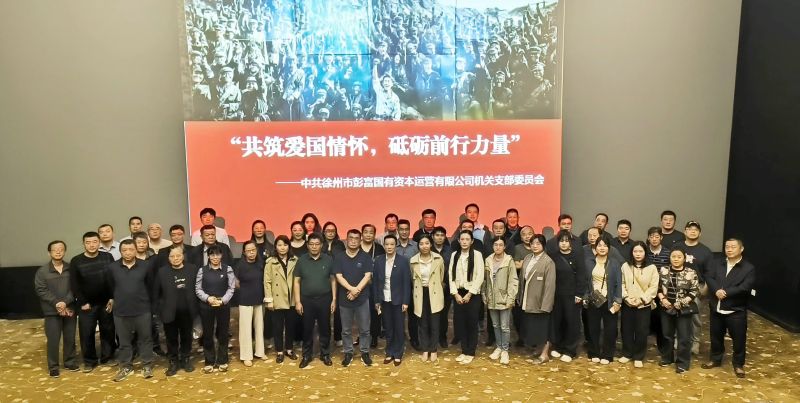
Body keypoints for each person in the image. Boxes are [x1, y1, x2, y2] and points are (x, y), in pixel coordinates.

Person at [703, 238, 755, 378]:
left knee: (739, 339)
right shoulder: (717, 262)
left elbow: (745, 287)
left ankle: (738, 364)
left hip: (735, 310)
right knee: (715, 336)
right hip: (716, 307)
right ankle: (715, 359)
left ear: (741, 249)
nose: (729, 249)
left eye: (733, 247)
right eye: (727, 247)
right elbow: (709, 277)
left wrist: (725, 292)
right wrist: (716, 290)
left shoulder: (748, 268)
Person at [106, 239, 155, 382]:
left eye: (131, 249)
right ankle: (126, 366)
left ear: (136, 250)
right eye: (124, 250)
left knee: (145, 339)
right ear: (120, 251)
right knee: (124, 341)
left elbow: (151, 286)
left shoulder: (146, 265)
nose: (128, 253)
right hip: (121, 310)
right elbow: (110, 286)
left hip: (142, 309)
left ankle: (147, 365)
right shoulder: (112, 267)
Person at [69, 232, 116, 372]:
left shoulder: (107, 257)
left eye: (94, 241)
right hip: (86, 305)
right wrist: (83, 301)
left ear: (99, 242)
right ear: (83, 244)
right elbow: (74, 284)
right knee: (87, 333)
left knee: (108, 331)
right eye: (88, 242)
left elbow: (113, 278)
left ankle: (108, 357)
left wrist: (112, 298)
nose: (91, 245)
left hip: (106, 302)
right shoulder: (76, 260)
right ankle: (90, 361)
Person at [152, 245, 198, 376]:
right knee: (171, 338)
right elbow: (156, 293)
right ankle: (173, 361)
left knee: (186, 337)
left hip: (187, 310)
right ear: (168, 258)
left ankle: (185, 359)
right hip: (169, 311)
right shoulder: (162, 272)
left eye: (178, 255)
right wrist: (157, 310)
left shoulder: (192, 269)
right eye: (172, 256)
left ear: (183, 256)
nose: (175, 258)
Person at [35, 240, 78, 377]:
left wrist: (65, 302)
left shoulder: (71, 268)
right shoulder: (42, 271)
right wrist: (56, 303)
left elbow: (75, 287)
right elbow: (41, 290)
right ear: (49, 253)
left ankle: (70, 362)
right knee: (53, 339)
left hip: (69, 309)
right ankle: (53, 366)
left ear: (65, 251)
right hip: (51, 311)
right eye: (55, 249)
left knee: (70, 337)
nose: (58, 252)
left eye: (61, 249)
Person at [294, 233, 336, 368]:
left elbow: (333, 280)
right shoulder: (302, 260)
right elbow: (296, 281)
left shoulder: (328, 259)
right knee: (307, 328)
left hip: (325, 299)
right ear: (307, 245)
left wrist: (334, 299)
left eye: (317, 244)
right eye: (311, 244)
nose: (314, 247)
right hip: (306, 300)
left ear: (321, 245)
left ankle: (325, 354)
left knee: (325, 328)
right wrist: (297, 301)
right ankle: (307, 355)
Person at [672, 220, 713, 356]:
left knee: (695, 317)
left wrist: (704, 290)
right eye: (690, 229)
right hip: (677, 286)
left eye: (695, 230)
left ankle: (695, 343)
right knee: (677, 314)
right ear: (685, 231)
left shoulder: (705, 251)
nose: (692, 231)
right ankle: (677, 340)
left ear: (700, 233)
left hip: (697, 288)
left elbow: (709, 273)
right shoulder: (677, 247)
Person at [334, 229, 374, 366]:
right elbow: (338, 276)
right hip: (345, 299)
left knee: (365, 329)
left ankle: (365, 352)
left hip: (362, 299)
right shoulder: (339, 257)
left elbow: (367, 275)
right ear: (346, 239)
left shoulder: (365, 257)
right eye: (351, 238)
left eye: (356, 238)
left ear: (360, 240)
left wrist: (356, 290)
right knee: (346, 330)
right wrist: (351, 289)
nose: (353, 241)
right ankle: (348, 352)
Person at [546, 230, 587, 363]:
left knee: (572, 323)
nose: (564, 244)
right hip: (556, 295)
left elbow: (582, 276)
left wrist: (579, 294)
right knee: (558, 321)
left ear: (571, 243)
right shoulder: (553, 256)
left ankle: (570, 350)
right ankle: (559, 346)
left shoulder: (577, 256)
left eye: (566, 241)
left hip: (572, 295)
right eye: (561, 241)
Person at [657, 249, 700, 373]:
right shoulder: (663, 270)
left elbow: (694, 291)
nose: (676, 259)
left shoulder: (691, 272)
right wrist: (663, 299)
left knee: (684, 337)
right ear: (670, 258)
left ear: (684, 258)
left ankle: (682, 363)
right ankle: (667, 358)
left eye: (679, 257)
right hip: (666, 307)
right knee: (666, 335)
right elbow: (658, 287)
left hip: (683, 308)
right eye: (673, 256)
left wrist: (681, 302)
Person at [195, 245, 236, 373]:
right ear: (208, 256)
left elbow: (231, 288)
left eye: (217, 254)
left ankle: (223, 360)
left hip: (223, 305)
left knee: (223, 333)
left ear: (221, 255)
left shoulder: (228, 269)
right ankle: (209, 361)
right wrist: (208, 298)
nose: (215, 257)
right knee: (208, 333)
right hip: (206, 306)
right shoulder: (202, 270)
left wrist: (223, 300)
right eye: (212, 255)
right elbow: (198, 289)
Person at [372, 234, 411, 365]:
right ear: (384, 245)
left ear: (396, 246)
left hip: (398, 300)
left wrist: (406, 301)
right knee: (388, 327)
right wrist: (377, 300)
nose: (389, 247)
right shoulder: (379, 260)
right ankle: (389, 352)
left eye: (392, 244)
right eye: (387, 244)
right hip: (384, 299)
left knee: (399, 327)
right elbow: (375, 282)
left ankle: (398, 353)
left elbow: (407, 283)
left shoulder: (403, 261)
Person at [619, 241, 659, 368]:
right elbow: (621, 283)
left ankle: (638, 356)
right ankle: (627, 353)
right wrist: (626, 298)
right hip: (628, 303)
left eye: (640, 251)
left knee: (642, 331)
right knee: (626, 329)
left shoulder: (652, 268)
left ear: (645, 253)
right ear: (631, 253)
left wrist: (642, 300)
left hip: (643, 305)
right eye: (635, 251)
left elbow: (653, 287)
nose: (638, 254)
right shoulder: (625, 266)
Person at [518, 234, 556, 364]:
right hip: (528, 298)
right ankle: (539, 349)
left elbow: (550, 286)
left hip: (540, 301)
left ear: (543, 245)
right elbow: (522, 279)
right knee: (534, 327)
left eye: (538, 244)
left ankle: (545, 354)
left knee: (543, 328)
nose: (535, 246)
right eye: (532, 243)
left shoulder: (548, 262)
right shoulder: (528, 258)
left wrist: (546, 305)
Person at [585, 238, 623, 365]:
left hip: (609, 300)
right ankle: (593, 352)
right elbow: (585, 281)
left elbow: (618, 283)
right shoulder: (589, 262)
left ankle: (608, 354)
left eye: (605, 245)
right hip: (594, 299)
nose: (602, 248)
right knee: (593, 328)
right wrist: (586, 296)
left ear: (609, 248)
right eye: (599, 245)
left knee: (610, 329)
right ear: (595, 248)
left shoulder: (614, 263)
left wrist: (617, 301)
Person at [449, 230, 485, 364]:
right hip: (458, 293)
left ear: (472, 241)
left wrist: (470, 293)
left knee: (472, 323)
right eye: (462, 239)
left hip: (473, 294)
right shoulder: (455, 255)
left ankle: (471, 351)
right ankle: (464, 350)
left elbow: (480, 275)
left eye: (467, 239)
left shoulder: (477, 255)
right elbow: (451, 275)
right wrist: (455, 294)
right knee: (461, 323)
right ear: (459, 241)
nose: (464, 242)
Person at [483, 236, 519, 365]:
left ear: (504, 247)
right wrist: (484, 294)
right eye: (495, 245)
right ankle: (498, 347)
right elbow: (485, 280)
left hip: (504, 298)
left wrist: (511, 298)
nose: (498, 247)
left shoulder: (509, 260)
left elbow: (513, 280)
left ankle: (505, 350)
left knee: (504, 327)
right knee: (495, 325)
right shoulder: (488, 260)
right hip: (491, 297)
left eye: (500, 245)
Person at [411, 235, 446, 363]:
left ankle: (434, 349)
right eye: (421, 244)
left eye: (427, 243)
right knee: (423, 323)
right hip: (420, 293)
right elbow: (412, 279)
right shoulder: (413, 260)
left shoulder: (438, 259)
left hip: (435, 293)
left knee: (435, 323)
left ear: (431, 244)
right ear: (418, 246)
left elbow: (441, 277)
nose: (424, 246)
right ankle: (425, 349)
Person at [264, 236, 299, 363]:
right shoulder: (270, 262)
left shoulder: (295, 260)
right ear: (275, 247)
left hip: (291, 298)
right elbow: (267, 282)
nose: (282, 248)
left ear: (289, 246)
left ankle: (289, 349)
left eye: (285, 245)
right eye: (279, 245)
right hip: (277, 299)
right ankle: (279, 351)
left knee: (290, 326)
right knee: (277, 327)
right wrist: (269, 300)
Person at [236, 240, 266, 366]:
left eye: (253, 250)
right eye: (248, 251)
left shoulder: (261, 263)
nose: (251, 253)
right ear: (244, 252)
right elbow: (236, 283)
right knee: (245, 329)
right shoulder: (240, 265)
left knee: (260, 327)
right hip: (245, 300)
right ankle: (246, 355)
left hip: (259, 299)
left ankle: (260, 351)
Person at [431, 226, 453, 348]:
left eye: (442, 235)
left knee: (444, 314)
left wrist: (444, 282)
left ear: (445, 237)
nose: (439, 237)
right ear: (433, 236)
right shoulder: (428, 249)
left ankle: (442, 337)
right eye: (437, 235)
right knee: (432, 313)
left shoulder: (450, 251)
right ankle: (432, 337)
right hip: (431, 287)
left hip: (446, 287)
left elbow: (452, 269)